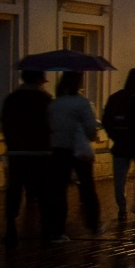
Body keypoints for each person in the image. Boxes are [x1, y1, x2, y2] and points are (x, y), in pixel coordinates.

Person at [46, 70, 102, 237]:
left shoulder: (54, 104)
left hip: (58, 150)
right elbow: (91, 128)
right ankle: (93, 224)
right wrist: (91, 135)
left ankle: (58, 228)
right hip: (79, 151)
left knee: (59, 191)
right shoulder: (82, 103)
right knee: (87, 188)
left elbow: (49, 126)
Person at [0, 69, 52, 246]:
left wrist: (12, 143)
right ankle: (45, 227)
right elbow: (51, 125)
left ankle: (10, 225)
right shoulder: (45, 100)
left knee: (14, 189)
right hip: (40, 153)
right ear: (38, 80)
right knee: (43, 190)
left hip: (16, 153)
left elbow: (5, 123)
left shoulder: (11, 99)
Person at [100, 69, 135, 221]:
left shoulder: (116, 98)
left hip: (120, 144)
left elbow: (106, 120)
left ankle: (121, 207)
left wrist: (113, 135)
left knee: (119, 177)